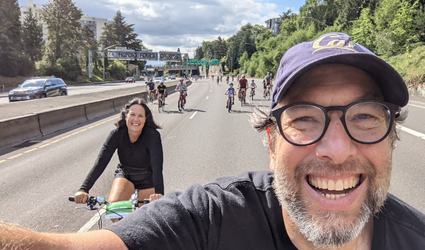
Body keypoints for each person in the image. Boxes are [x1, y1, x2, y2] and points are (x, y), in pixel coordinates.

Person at [2, 32, 425, 250]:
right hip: (126, 176)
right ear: (271, 140)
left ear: (393, 137)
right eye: (305, 118)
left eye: (366, 116)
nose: (336, 148)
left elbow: (158, 164)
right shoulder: (212, 219)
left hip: (148, 177)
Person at [73, 97, 164, 223]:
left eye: (140, 116)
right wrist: (84, 189)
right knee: (114, 211)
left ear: (145, 119)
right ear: (126, 116)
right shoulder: (116, 134)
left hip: (147, 176)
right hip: (126, 174)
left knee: (148, 220)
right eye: (132, 114)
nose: (136, 119)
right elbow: (101, 162)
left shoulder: (152, 135)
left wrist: (159, 194)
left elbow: (157, 167)